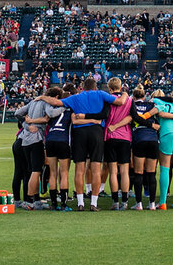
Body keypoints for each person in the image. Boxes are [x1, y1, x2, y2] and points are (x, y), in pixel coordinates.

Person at [36, 77, 119, 211]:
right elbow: (119, 101)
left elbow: (56, 102)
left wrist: (42, 97)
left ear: (82, 87)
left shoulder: (76, 98)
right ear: (95, 87)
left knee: (79, 170)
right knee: (96, 169)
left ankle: (80, 203)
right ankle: (94, 203)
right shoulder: (101, 94)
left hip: (79, 134)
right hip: (96, 133)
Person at [102, 77, 134, 210]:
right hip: (125, 137)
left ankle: (115, 202)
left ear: (109, 88)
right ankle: (125, 202)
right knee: (125, 171)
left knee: (113, 171)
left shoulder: (108, 100)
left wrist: (113, 126)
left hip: (110, 137)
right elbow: (132, 116)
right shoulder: (129, 99)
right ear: (120, 87)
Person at [129, 87, 161, 210]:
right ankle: (152, 204)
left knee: (138, 173)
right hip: (153, 139)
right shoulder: (152, 105)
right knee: (151, 173)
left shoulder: (131, 106)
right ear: (144, 96)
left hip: (139, 139)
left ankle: (139, 204)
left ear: (134, 96)